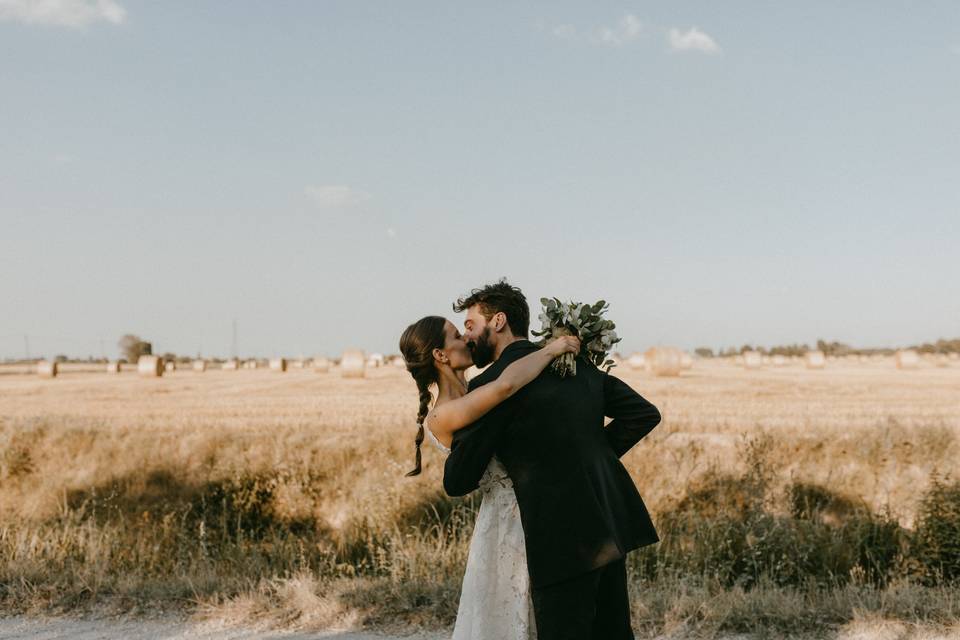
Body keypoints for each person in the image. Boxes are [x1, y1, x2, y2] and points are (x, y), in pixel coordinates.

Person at [443, 280, 662, 640]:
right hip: (607, 528)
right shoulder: (574, 365)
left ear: (498, 321)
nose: (467, 337)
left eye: (470, 326)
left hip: (559, 542)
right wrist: (590, 459)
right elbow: (644, 414)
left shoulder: (492, 386)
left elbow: (459, 480)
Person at [399, 314, 581, 640]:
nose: (467, 339)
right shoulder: (444, 414)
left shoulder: (475, 388)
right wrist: (553, 349)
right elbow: (508, 385)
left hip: (533, 506)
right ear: (441, 355)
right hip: (508, 522)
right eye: (457, 335)